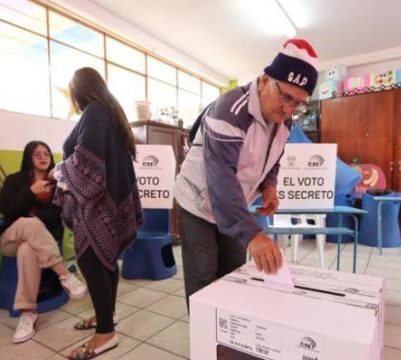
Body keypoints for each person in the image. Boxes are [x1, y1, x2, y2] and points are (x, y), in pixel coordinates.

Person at [175, 39, 319, 307]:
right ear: (265, 80)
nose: (289, 109)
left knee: (233, 272)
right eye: (285, 96)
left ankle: (229, 335)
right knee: (203, 276)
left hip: (233, 205)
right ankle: (205, 341)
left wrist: (269, 186)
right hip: (199, 202)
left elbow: (274, 156)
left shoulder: (284, 120)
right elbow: (221, 178)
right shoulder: (230, 110)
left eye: (298, 104)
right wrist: (253, 235)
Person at [53, 67, 143, 359]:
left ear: (79, 89)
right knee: (105, 262)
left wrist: (57, 174)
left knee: (91, 263)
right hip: (111, 203)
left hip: (97, 205)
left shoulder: (94, 112)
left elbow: (85, 165)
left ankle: (105, 334)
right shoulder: (109, 113)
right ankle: (108, 317)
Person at [0, 141, 87, 344]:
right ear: (29, 157)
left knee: (28, 249)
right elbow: (5, 208)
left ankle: (27, 313)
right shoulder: (15, 180)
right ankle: (65, 275)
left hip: (39, 245)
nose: (43, 157)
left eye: (46, 153)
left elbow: (58, 219)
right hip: (10, 239)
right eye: (37, 154)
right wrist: (31, 192)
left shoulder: (58, 187)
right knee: (29, 224)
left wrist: (39, 205)